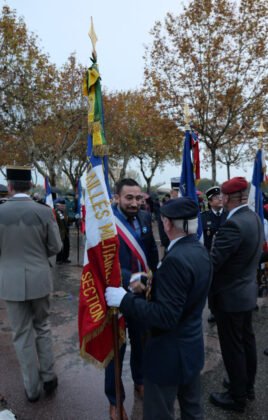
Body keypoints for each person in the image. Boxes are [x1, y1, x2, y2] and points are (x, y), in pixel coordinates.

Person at [106, 197, 212, 420]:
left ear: (167, 224)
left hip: (167, 356)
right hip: (191, 350)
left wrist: (124, 300)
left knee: (158, 414)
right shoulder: (199, 250)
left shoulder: (177, 259)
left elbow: (165, 316)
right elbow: (185, 293)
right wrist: (149, 282)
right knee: (192, 410)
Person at [0, 166, 62, 402]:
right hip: (39, 278)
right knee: (43, 328)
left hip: (10, 280)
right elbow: (55, 247)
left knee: (21, 334)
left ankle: (32, 388)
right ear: (30, 186)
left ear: (10, 186)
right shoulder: (44, 212)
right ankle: (49, 377)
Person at [209, 177, 263, 413]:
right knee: (246, 344)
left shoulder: (234, 224)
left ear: (227, 197)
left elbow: (214, 261)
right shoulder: (253, 217)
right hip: (246, 294)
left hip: (230, 298)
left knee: (233, 349)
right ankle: (246, 386)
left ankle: (237, 396)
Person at [105, 178, 158, 420]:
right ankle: (115, 401)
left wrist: (152, 279)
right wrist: (132, 277)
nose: (135, 202)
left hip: (142, 296)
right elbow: (102, 263)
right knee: (115, 350)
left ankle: (140, 380)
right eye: (129, 198)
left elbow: (151, 253)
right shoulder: (105, 223)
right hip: (116, 295)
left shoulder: (146, 218)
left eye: (138, 198)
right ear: (116, 197)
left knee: (142, 342)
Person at [201, 186, 228, 323]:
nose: (220, 199)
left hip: (227, 257)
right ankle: (213, 310)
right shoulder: (204, 217)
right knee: (212, 285)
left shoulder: (229, 215)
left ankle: (226, 307)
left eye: (220, 196)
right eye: (216, 198)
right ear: (210, 202)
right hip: (210, 257)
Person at [55, 198, 71, 264]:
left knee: (67, 245)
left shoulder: (65, 211)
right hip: (59, 231)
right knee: (59, 246)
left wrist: (75, 218)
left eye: (64, 206)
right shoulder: (56, 212)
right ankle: (58, 259)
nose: (63, 207)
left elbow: (68, 219)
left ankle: (65, 258)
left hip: (66, 232)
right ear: (58, 205)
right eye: (62, 206)